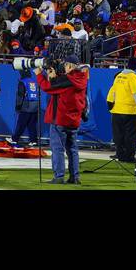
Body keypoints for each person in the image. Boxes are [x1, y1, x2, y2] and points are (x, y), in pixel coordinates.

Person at [39, 56, 91, 185]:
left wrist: (39, 75)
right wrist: (54, 76)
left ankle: (59, 176)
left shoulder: (67, 79)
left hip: (60, 119)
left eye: (66, 65)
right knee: (72, 149)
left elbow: (47, 87)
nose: (64, 67)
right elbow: (59, 85)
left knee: (58, 149)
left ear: (70, 66)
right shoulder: (81, 78)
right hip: (74, 120)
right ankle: (75, 177)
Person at [106, 56, 136, 163]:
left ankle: (120, 155)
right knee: (131, 135)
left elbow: (111, 93)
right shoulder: (133, 77)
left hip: (116, 112)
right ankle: (129, 157)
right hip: (130, 112)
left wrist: (110, 105)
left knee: (119, 135)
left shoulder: (118, 76)